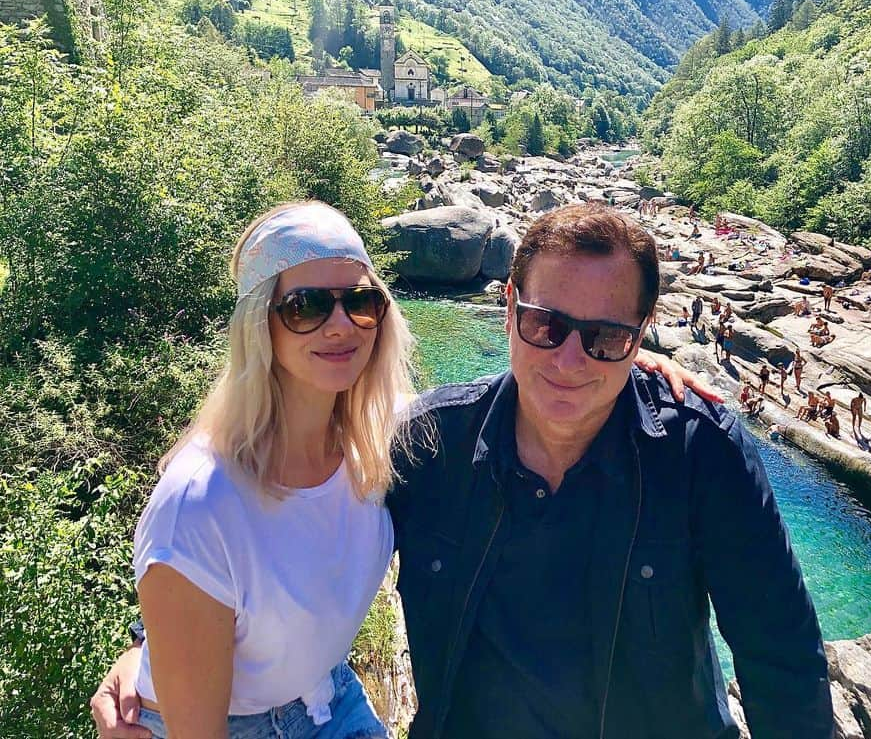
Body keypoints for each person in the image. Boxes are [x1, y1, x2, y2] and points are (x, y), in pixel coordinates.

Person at [96, 205, 832, 739]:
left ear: (640, 337)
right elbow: (217, 548)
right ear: (509, 309)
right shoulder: (425, 446)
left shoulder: (700, 451)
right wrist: (148, 646)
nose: (569, 360)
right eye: (548, 323)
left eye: (605, 336)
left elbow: (783, 663)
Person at [94, 202, 414, 739]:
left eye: (361, 302)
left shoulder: (382, 441)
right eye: (306, 306)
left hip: (327, 695)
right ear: (259, 324)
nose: (340, 325)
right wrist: (148, 646)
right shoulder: (202, 501)